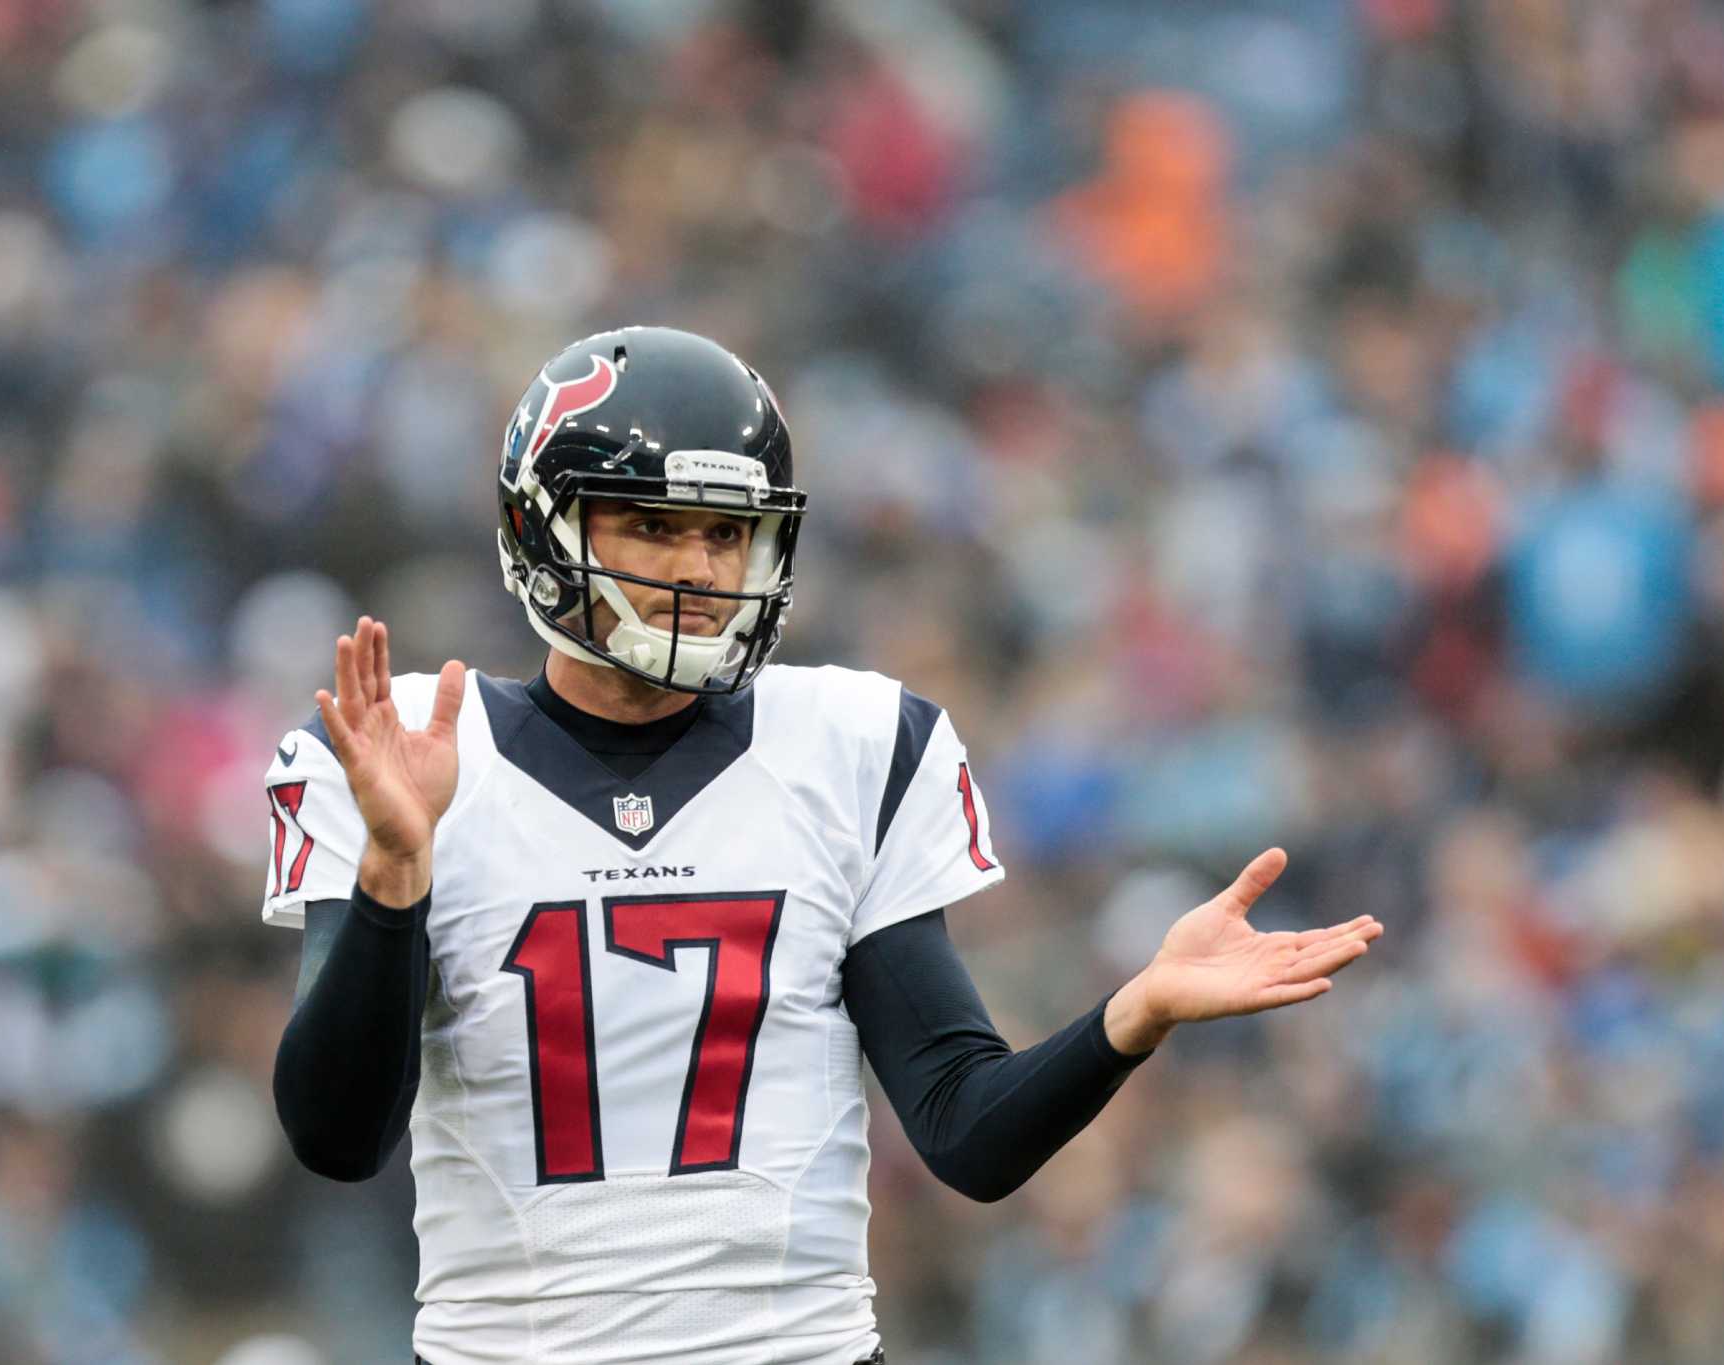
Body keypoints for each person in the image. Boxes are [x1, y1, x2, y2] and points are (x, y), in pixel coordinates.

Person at [263, 325, 1384, 1365]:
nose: (698, 572)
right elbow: (337, 1137)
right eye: (652, 524)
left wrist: (1129, 1015)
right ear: (539, 527)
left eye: (724, 532)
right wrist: (392, 875)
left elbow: (964, 1134)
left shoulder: (848, 747)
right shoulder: (410, 748)